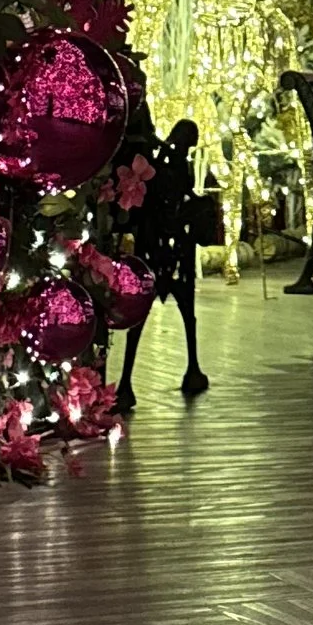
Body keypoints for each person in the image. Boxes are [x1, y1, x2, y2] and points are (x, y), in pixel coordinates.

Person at [114, 115, 211, 410]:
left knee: (182, 315)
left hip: (170, 249)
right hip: (161, 248)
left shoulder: (170, 163)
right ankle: (128, 382)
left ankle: (187, 369)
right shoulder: (164, 164)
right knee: (155, 317)